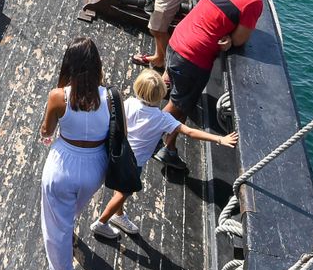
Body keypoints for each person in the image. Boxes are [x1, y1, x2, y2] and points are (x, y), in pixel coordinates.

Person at [154, 0, 283, 173]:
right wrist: (231, 39)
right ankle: (146, 136)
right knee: (178, 106)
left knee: (176, 89)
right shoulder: (254, 2)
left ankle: (169, 146)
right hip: (193, 57)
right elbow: (239, 39)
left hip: (178, 38)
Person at [89, 69, 236, 240]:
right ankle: (101, 222)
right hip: (133, 163)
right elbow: (189, 132)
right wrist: (220, 139)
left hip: (118, 154)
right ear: (161, 95)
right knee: (124, 193)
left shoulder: (129, 103)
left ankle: (118, 214)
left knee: (120, 188)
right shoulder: (163, 119)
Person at [37, 37, 110, 270]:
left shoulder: (58, 97)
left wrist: (47, 131)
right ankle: (68, 225)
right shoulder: (112, 97)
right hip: (96, 167)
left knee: (56, 226)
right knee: (73, 209)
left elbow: (46, 131)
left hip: (63, 165)